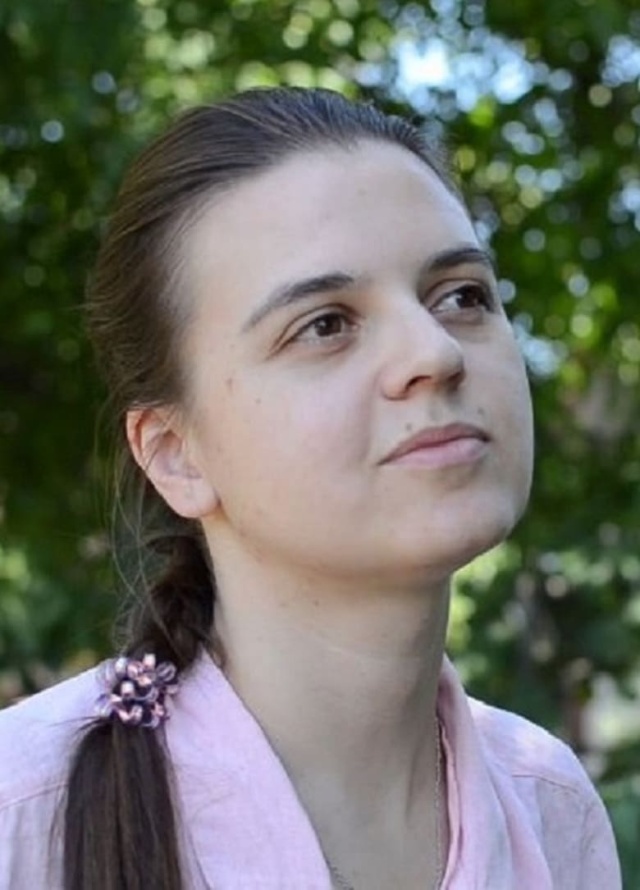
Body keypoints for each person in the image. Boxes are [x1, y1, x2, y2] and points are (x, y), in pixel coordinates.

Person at [0, 87, 620, 890]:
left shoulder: (550, 807)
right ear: (176, 454)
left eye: (463, 296)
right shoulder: (24, 814)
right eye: (325, 324)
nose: (435, 352)